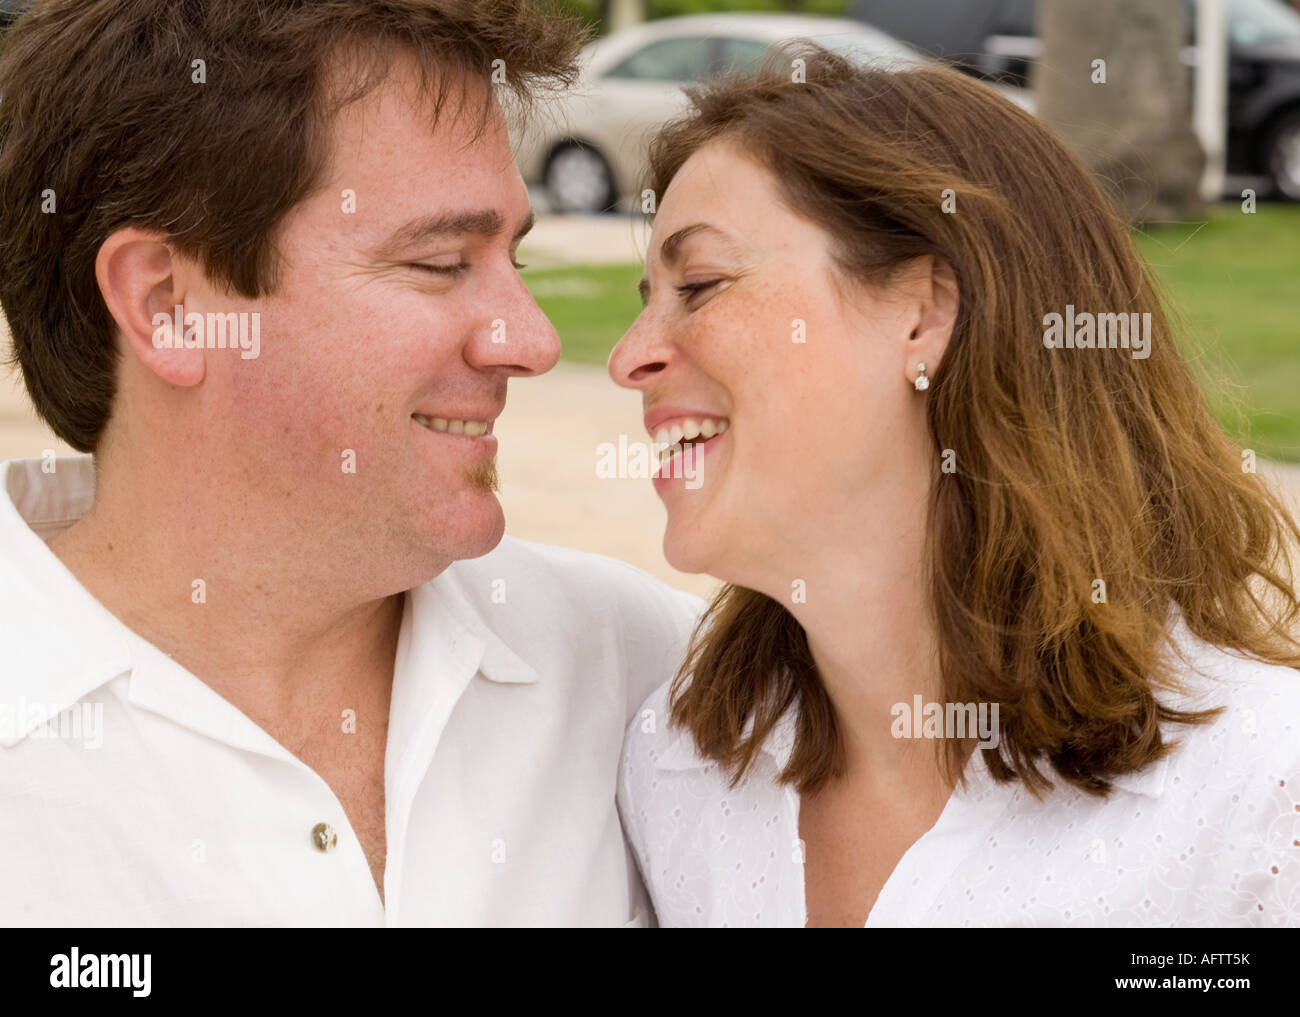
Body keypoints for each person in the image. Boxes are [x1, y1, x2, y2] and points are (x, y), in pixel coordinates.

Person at [0, 0, 701, 926]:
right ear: (167, 304)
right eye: (442, 261)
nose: (530, 340)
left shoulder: (647, 673)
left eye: (513, 259)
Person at [611, 44, 1300, 927]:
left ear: (924, 311)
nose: (631, 356)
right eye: (645, 297)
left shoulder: (1260, 801)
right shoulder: (678, 770)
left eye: (699, 285)